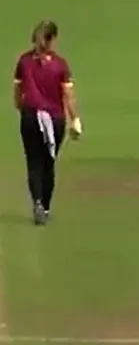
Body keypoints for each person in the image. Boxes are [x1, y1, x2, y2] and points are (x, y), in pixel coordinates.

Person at [13, 21, 83, 225]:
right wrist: (75, 119)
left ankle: (37, 202)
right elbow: (68, 95)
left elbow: (17, 93)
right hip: (54, 119)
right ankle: (45, 205)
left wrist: (22, 108)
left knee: (33, 162)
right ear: (52, 39)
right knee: (48, 164)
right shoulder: (60, 65)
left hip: (30, 116)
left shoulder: (24, 61)